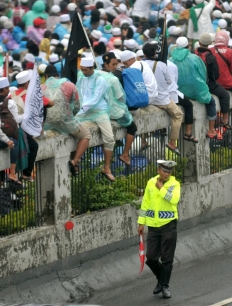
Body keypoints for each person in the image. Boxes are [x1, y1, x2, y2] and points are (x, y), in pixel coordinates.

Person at [138, 160, 181, 300]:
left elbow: (174, 200)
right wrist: (141, 222)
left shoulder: (175, 184)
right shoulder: (151, 182)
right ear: (159, 170)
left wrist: (161, 188)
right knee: (151, 258)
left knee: (167, 259)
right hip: (153, 227)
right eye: (164, 171)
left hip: (168, 225)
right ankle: (161, 279)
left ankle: (164, 286)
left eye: (169, 172)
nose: (167, 174)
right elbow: (145, 202)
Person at [41, 65, 90, 175]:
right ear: (58, 75)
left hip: (47, 125)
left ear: (46, 76)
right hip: (66, 122)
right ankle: (75, 161)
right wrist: (71, 116)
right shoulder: (69, 85)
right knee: (85, 136)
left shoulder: (41, 88)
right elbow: (77, 106)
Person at [76, 57, 116, 182]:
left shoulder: (100, 80)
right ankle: (75, 163)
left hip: (99, 111)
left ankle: (107, 167)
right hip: (83, 111)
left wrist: (80, 110)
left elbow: (95, 99)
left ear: (92, 68)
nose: (83, 72)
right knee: (72, 130)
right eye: (82, 70)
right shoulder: (81, 78)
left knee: (109, 138)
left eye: (85, 70)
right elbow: (79, 95)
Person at [142, 45, 184, 156]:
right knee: (178, 115)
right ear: (155, 53)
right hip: (162, 100)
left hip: (148, 99)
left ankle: (143, 140)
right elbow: (170, 82)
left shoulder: (141, 65)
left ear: (144, 54)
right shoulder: (161, 65)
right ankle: (172, 142)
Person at [100, 53, 138, 166]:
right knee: (132, 127)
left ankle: (110, 156)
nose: (115, 66)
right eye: (113, 64)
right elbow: (120, 97)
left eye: (117, 63)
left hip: (101, 110)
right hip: (113, 110)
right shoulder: (113, 78)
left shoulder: (96, 75)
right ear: (106, 64)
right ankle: (125, 154)